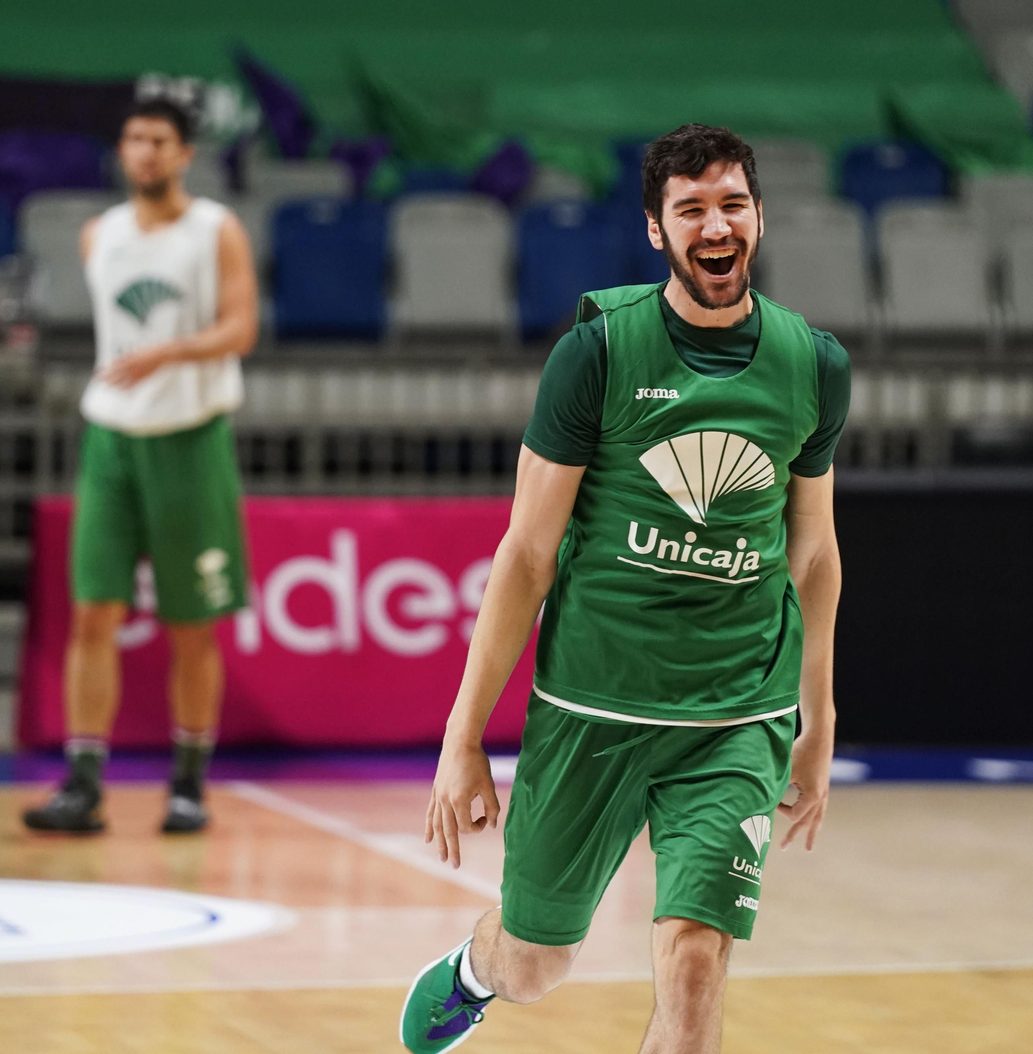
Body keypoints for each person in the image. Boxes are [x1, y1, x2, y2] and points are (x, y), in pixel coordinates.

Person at [400, 123, 851, 1053]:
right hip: (591, 705)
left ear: (758, 217)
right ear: (657, 230)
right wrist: (462, 736)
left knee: (694, 960)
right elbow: (527, 555)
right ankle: (478, 973)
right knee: (537, 965)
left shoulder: (813, 364)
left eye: (732, 204)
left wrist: (818, 719)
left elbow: (811, 553)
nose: (715, 225)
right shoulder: (597, 353)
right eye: (692, 210)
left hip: (736, 713)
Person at [22, 97, 259, 837]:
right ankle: (83, 781)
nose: (145, 151)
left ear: (185, 152)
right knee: (93, 611)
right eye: (133, 139)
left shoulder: (216, 228)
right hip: (111, 438)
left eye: (159, 140)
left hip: (190, 436)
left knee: (192, 625)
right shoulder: (101, 233)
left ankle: (188, 784)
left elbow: (242, 327)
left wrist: (169, 351)